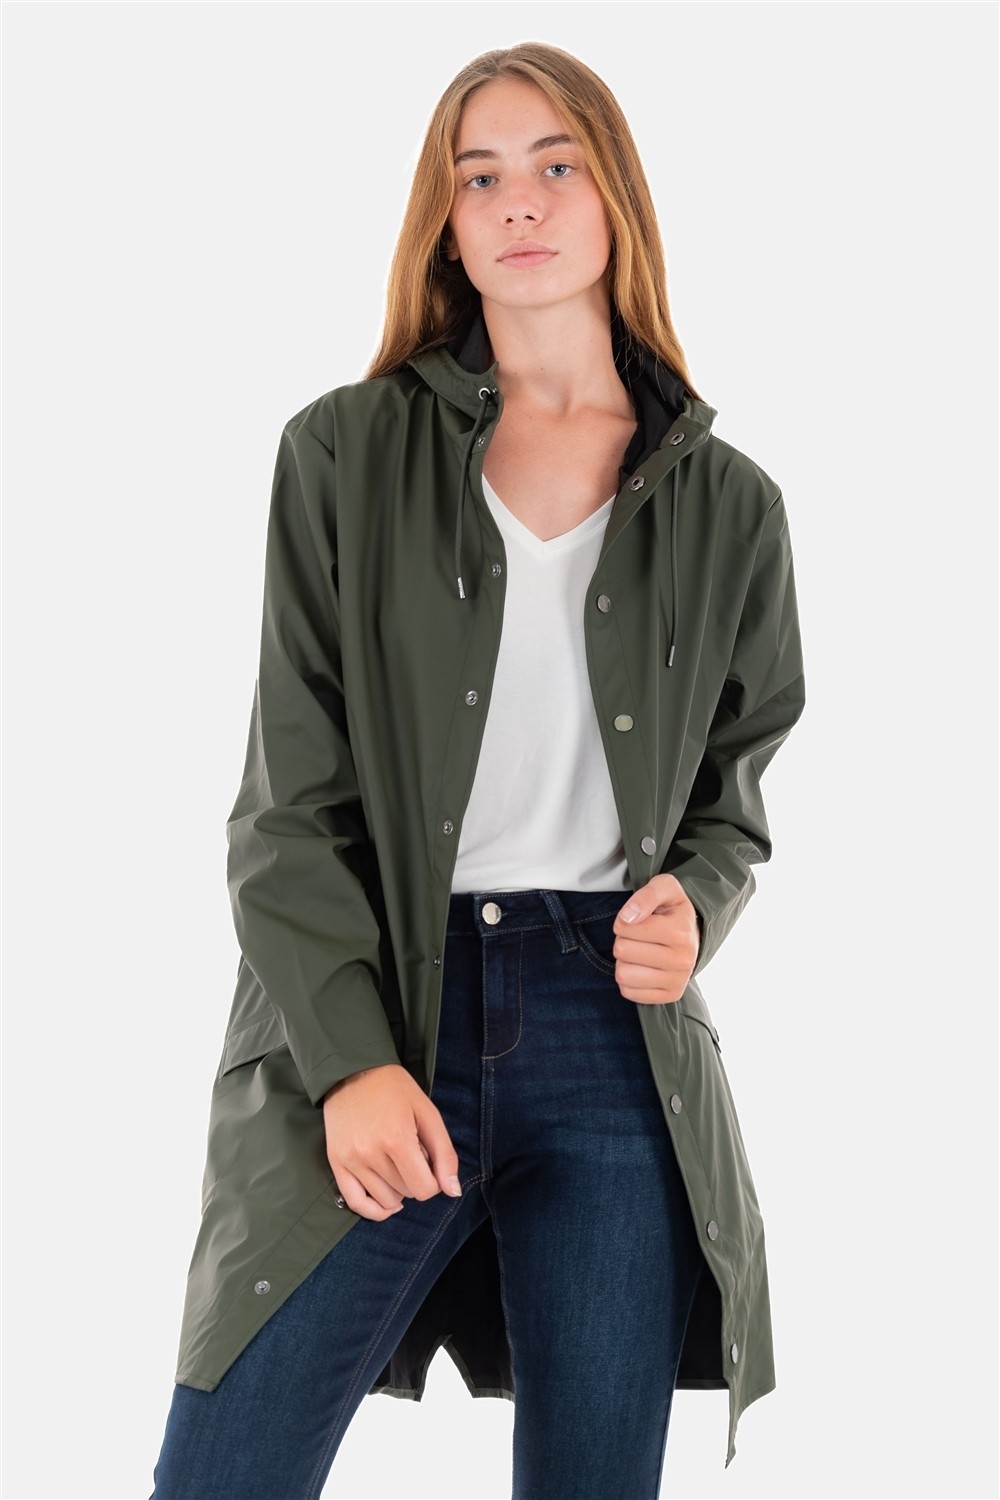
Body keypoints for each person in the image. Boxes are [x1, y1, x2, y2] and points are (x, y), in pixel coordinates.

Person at [150, 41, 805, 1500]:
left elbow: (738, 783)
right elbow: (285, 807)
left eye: (556, 165)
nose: (520, 202)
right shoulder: (343, 454)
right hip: (381, 1003)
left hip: (613, 1040)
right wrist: (351, 1062)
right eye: (481, 176)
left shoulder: (731, 505)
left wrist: (698, 901)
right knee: (223, 1474)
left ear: (615, 196)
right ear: (445, 226)